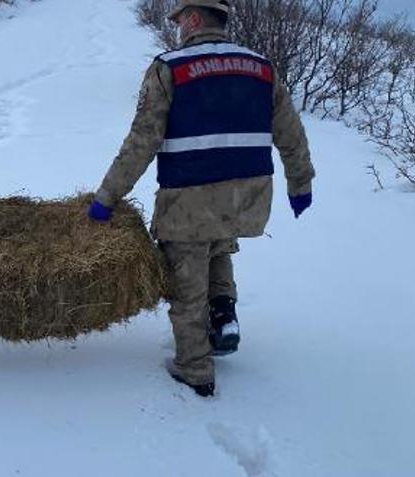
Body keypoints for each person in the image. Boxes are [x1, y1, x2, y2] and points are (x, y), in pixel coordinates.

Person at [88, 0, 315, 397]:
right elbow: (291, 134)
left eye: (180, 20)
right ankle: (224, 314)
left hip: (189, 198)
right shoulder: (261, 67)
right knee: (219, 245)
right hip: (246, 196)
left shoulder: (170, 68)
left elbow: (142, 141)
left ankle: (195, 369)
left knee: (187, 282)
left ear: (193, 19)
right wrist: (301, 185)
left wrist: (107, 197)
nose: (178, 28)